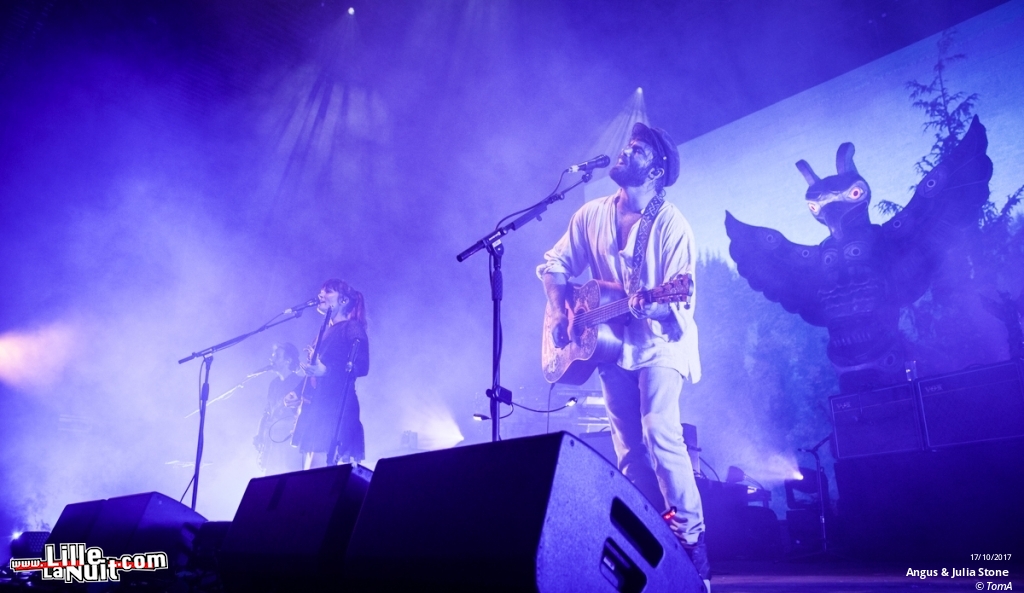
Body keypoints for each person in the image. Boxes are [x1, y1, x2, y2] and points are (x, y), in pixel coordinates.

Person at [537, 122, 709, 589]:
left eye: (638, 149)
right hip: (610, 346)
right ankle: (655, 536)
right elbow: (554, 265)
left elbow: (679, 302)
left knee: (658, 429)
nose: (625, 151)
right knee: (629, 451)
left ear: (656, 171)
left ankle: (693, 541)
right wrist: (561, 307)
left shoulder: (672, 225)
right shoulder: (590, 214)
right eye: (627, 144)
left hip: (660, 342)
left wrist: (654, 304)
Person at [291, 279, 369, 470]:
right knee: (311, 470)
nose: (321, 295)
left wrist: (326, 371)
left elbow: (361, 366)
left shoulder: (352, 327)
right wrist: (297, 391)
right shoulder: (323, 333)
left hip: (337, 406)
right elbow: (316, 371)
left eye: (328, 292)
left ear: (343, 300)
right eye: (321, 292)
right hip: (319, 406)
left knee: (317, 474)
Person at [253, 342, 304, 475]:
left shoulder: (300, 382)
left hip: (288, 444)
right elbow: (267, 412)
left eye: (277, 356)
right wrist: (260, 435)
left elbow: (303, 415)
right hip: (272, 442)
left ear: (288, 360)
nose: (272, 359)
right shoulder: (273, 384)